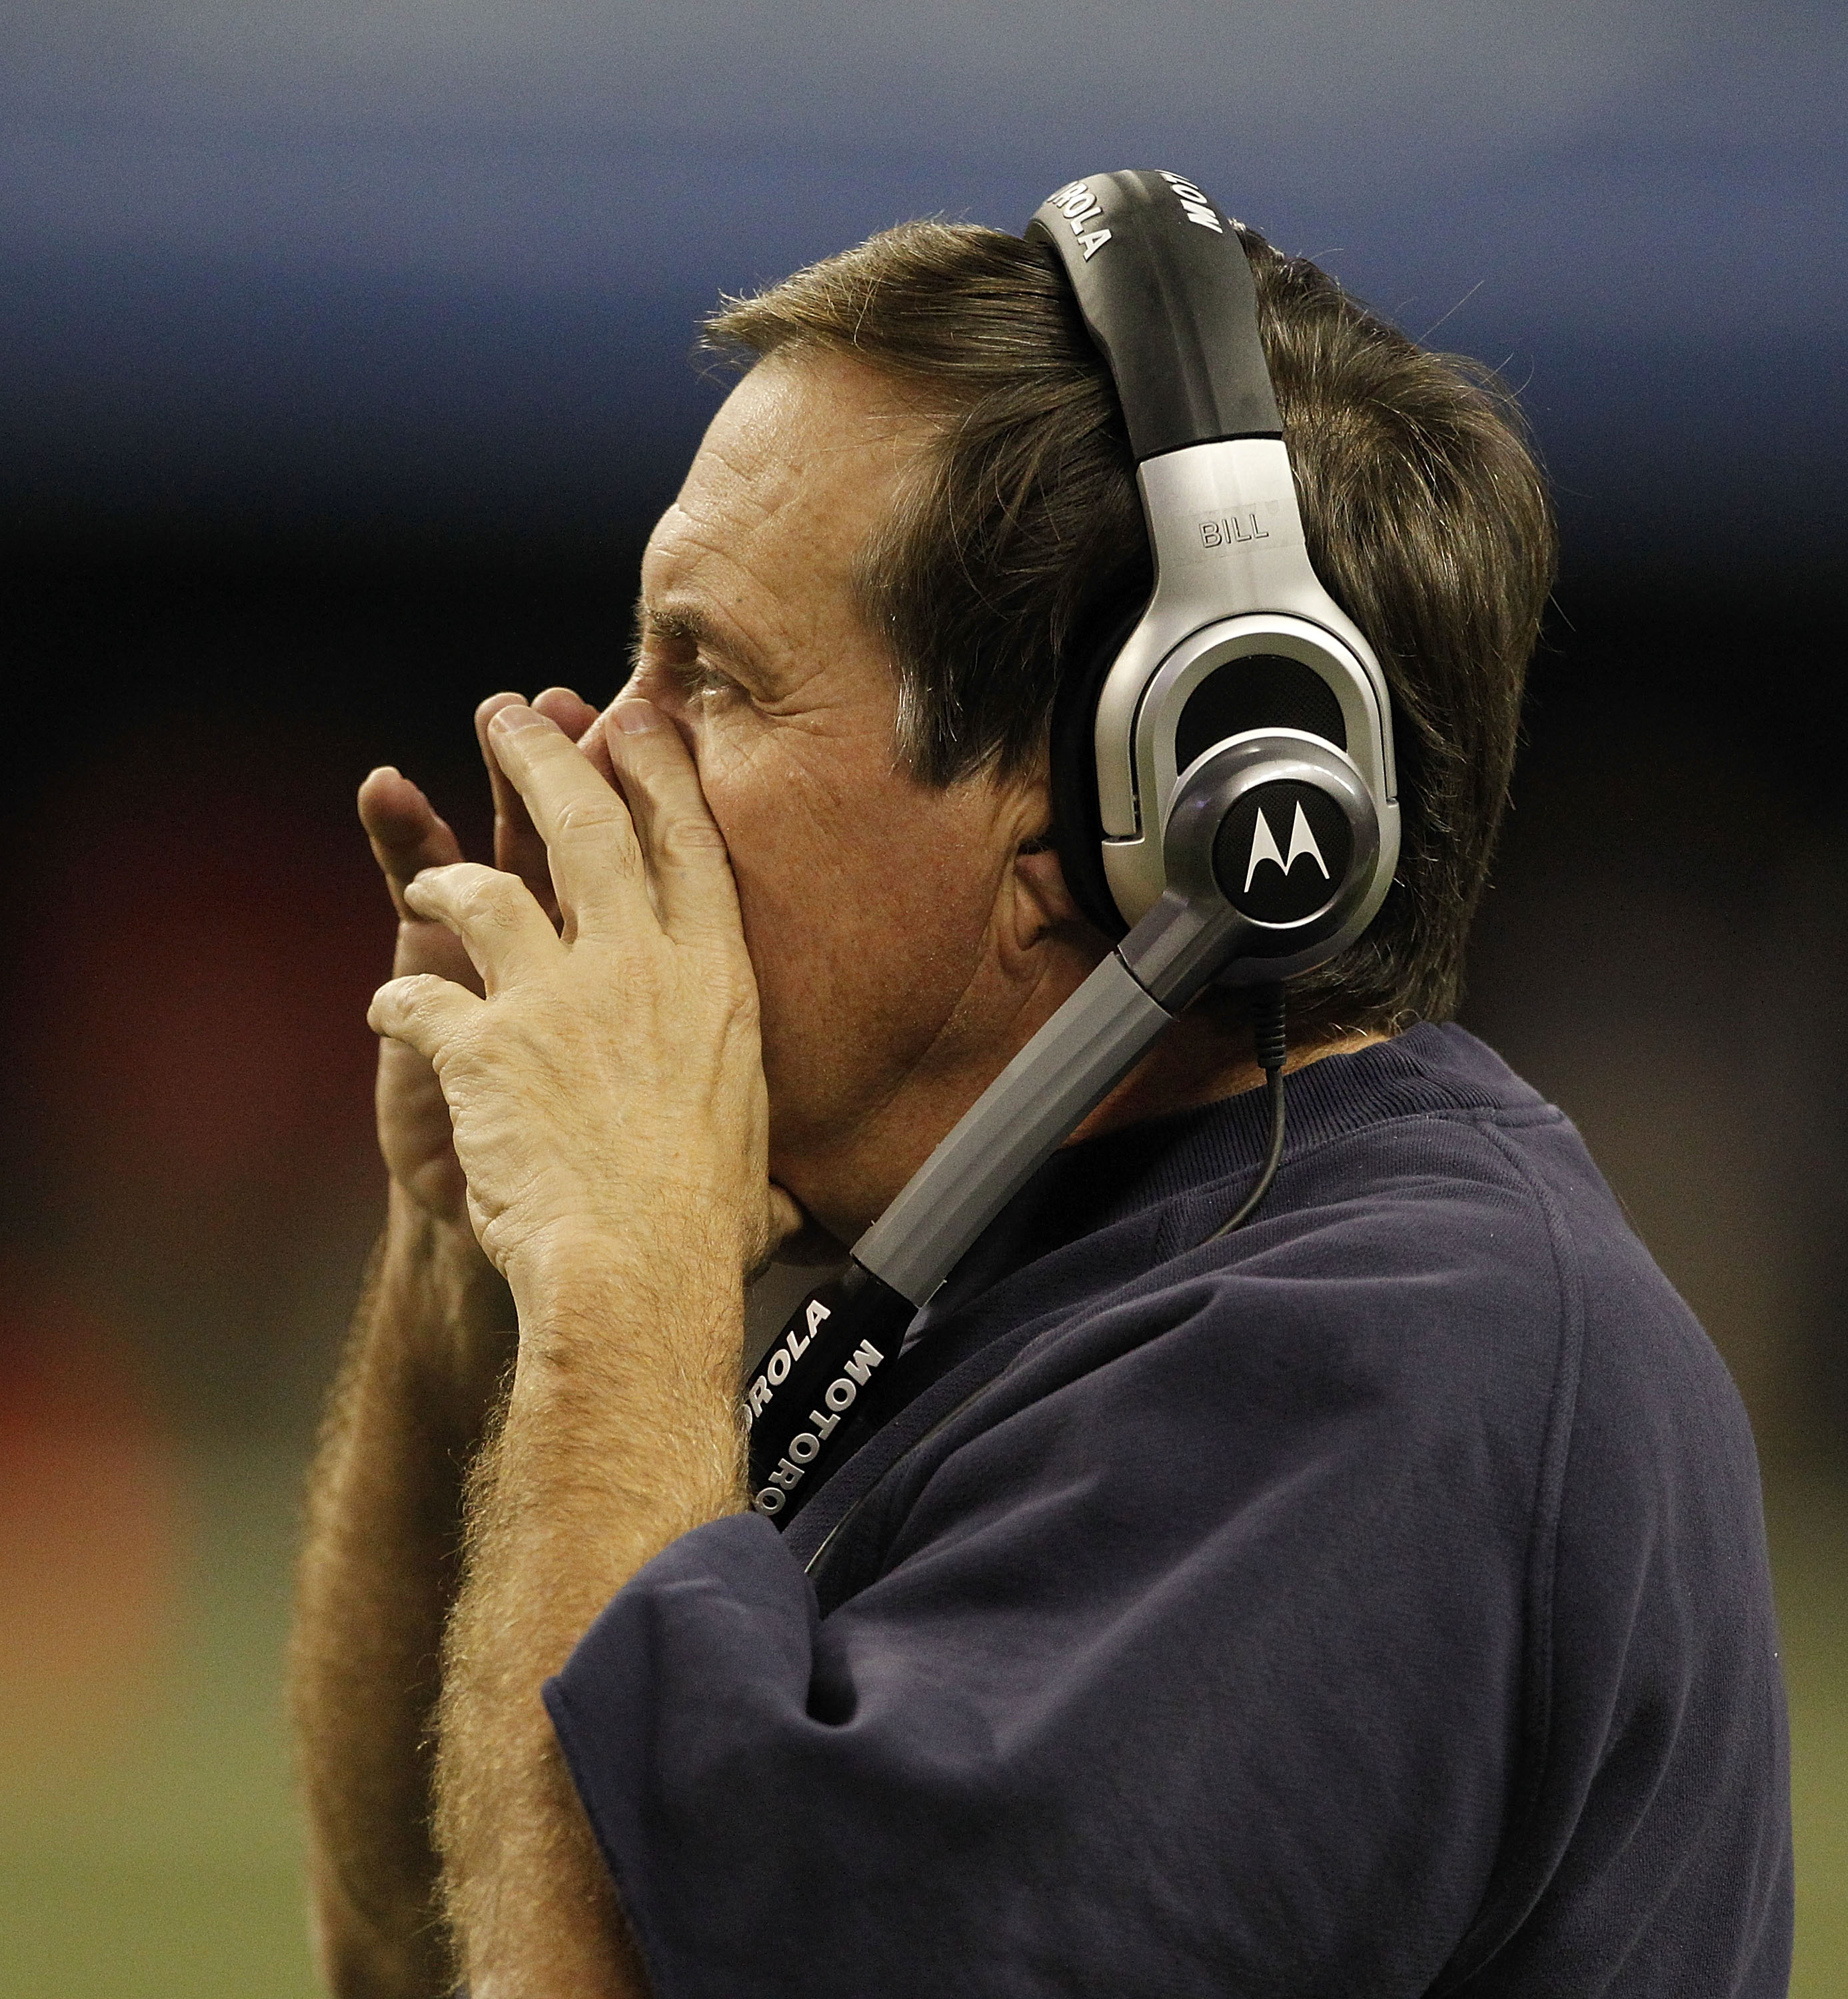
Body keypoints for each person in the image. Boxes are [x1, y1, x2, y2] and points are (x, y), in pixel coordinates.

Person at [289, 218, 1793, 1998]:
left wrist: (625, 1281)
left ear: (1124, 807)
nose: (600, 754)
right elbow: (424, 1945)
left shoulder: (1396, 1361)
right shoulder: (1041, 1282)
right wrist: (490, 1266)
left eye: (711, 676)